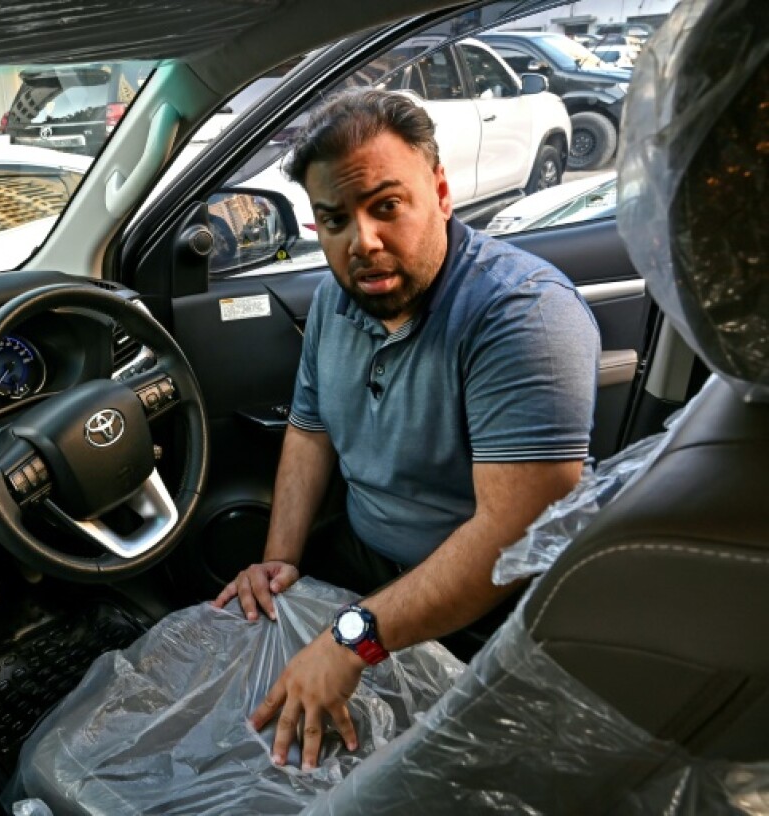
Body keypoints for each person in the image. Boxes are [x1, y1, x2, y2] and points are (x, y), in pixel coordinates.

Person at [211, 88, 600, 770]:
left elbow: (510, 538)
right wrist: (281, 562)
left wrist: (349, 639)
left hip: (490, 613)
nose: (363, 242)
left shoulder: (521, 316)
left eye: (385, 207)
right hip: (362, 562)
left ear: (441, 192)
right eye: (334, 220)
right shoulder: (337, 301)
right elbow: (310, 432)